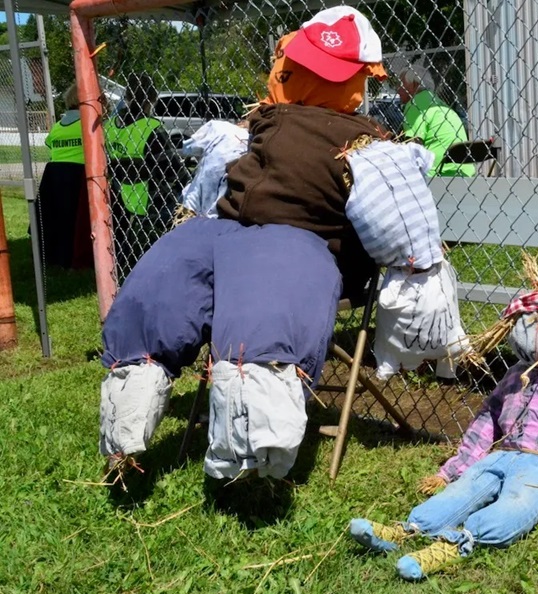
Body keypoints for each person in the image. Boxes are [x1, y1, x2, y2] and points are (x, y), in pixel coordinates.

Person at [98, 5, 434, 481]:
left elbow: (397, 223)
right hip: (228, 231)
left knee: (268, 295)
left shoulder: (367, 144)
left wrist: (416, 278)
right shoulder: (260, 122)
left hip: (305, 239)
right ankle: (132, 396)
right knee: (169, 269)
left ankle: (251, 442)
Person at [347, 244, 538, 580]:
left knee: (519, 503)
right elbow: (487, 420)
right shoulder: (518, 372)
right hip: (504, 455)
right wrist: (453, 470)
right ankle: (406, 530)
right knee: (463, 490)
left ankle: (456, 545)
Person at [104, 73, 189, 281]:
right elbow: (172, 170)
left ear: (126, 97)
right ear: (152, 99)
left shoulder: (109, 126)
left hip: (119, 195)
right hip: (151, 199)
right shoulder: (151, 128)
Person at [37, 85, 95, 269]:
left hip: (54, 181)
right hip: (79, 180)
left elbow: (49, 145)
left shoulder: (56, 128)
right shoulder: (88, 125)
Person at [397, 59, 474, 177]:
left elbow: (413, 145)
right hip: (465, 171)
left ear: (414, 84)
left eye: (401, 84)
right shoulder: (436, 101)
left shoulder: (415, 103)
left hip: (438, 174)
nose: (398, 90)